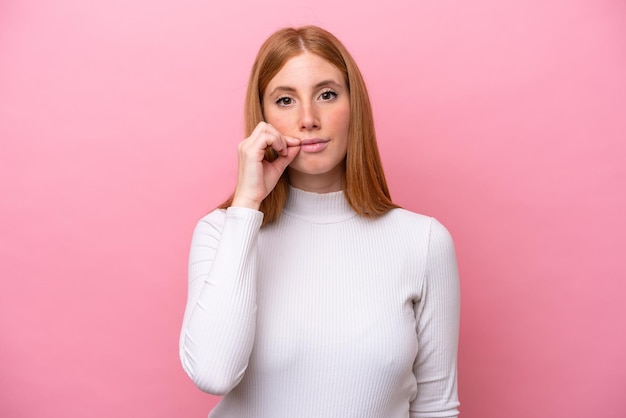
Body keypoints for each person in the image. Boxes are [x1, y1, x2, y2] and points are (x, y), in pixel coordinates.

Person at [179, 25, 460, 418]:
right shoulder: (221, 232)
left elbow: (435, 408)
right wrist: (246, 205)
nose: (308, 118)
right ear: (261, 116)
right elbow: (213, 373)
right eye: (285, 100)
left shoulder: (423, 241)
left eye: (327, 95)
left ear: (354, 106)